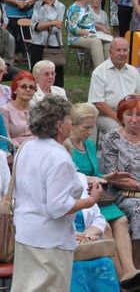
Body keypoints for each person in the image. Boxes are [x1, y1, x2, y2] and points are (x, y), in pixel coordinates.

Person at [11, 94, 102, 291]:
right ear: (60, 125)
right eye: (69, 119)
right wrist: (91, 200)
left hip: (25, 232)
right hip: (50, 240)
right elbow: (58, 207)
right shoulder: (58, 156)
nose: (72, 123)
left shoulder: (26, 147)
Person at [65, 102, 140, 285]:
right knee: (105, 225)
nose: (90, 131)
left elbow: (96, 175)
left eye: (92, 127)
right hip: (80, 198)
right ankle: (121, 279)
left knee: (121, 220)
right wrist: (91, 179)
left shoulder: (88, 145)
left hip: (99, 196)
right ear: (72, 125)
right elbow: (70, 175)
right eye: (86, 127)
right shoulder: (66, 146)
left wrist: (108, 176)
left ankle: (130, 271)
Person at [101, 95, 140, 287]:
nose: (134, 119)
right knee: (138, 209)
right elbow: (113, 175)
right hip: (121, 192)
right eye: (129, 114)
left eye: (139, 114)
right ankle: (132, 271)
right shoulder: (112, 138)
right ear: (121, 116)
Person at [88, 37, 140, 135]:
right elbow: (99, 103)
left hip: (132, 112)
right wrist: (119, 119)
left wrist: (133, 116)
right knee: (118, 130)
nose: (122, 53)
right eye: (118, 50)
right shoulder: (99, 72)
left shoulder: (134, 71)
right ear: (110, 52)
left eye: (125, 50)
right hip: (108, 115)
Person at [29, 0, 66, 87]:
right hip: (37, 42)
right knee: (36, 70)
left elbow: (56, 28)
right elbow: (34, 25)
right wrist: (52, 22)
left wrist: (44, 25)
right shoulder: (37, 5)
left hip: (53, 43)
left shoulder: (60, 7)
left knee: (54, 71)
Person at [67, 0, 111, 68]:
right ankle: (100, 71)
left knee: (108, 41)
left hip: (90, 35)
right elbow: (73, 29)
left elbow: (90, 24)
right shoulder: (75, 9)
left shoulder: (86, 8)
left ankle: (109, 69)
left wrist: (100, 30)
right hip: (75, 37)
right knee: (96, 42)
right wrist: (87, 33)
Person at [0, 71, 36, 147]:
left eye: (31, 87)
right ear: (15, 90)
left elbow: (42, 132)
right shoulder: (5, 110)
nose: (28, 90)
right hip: (17, 149)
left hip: (37, 147)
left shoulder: (36, 108)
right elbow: (6, 138)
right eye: (23, 86)